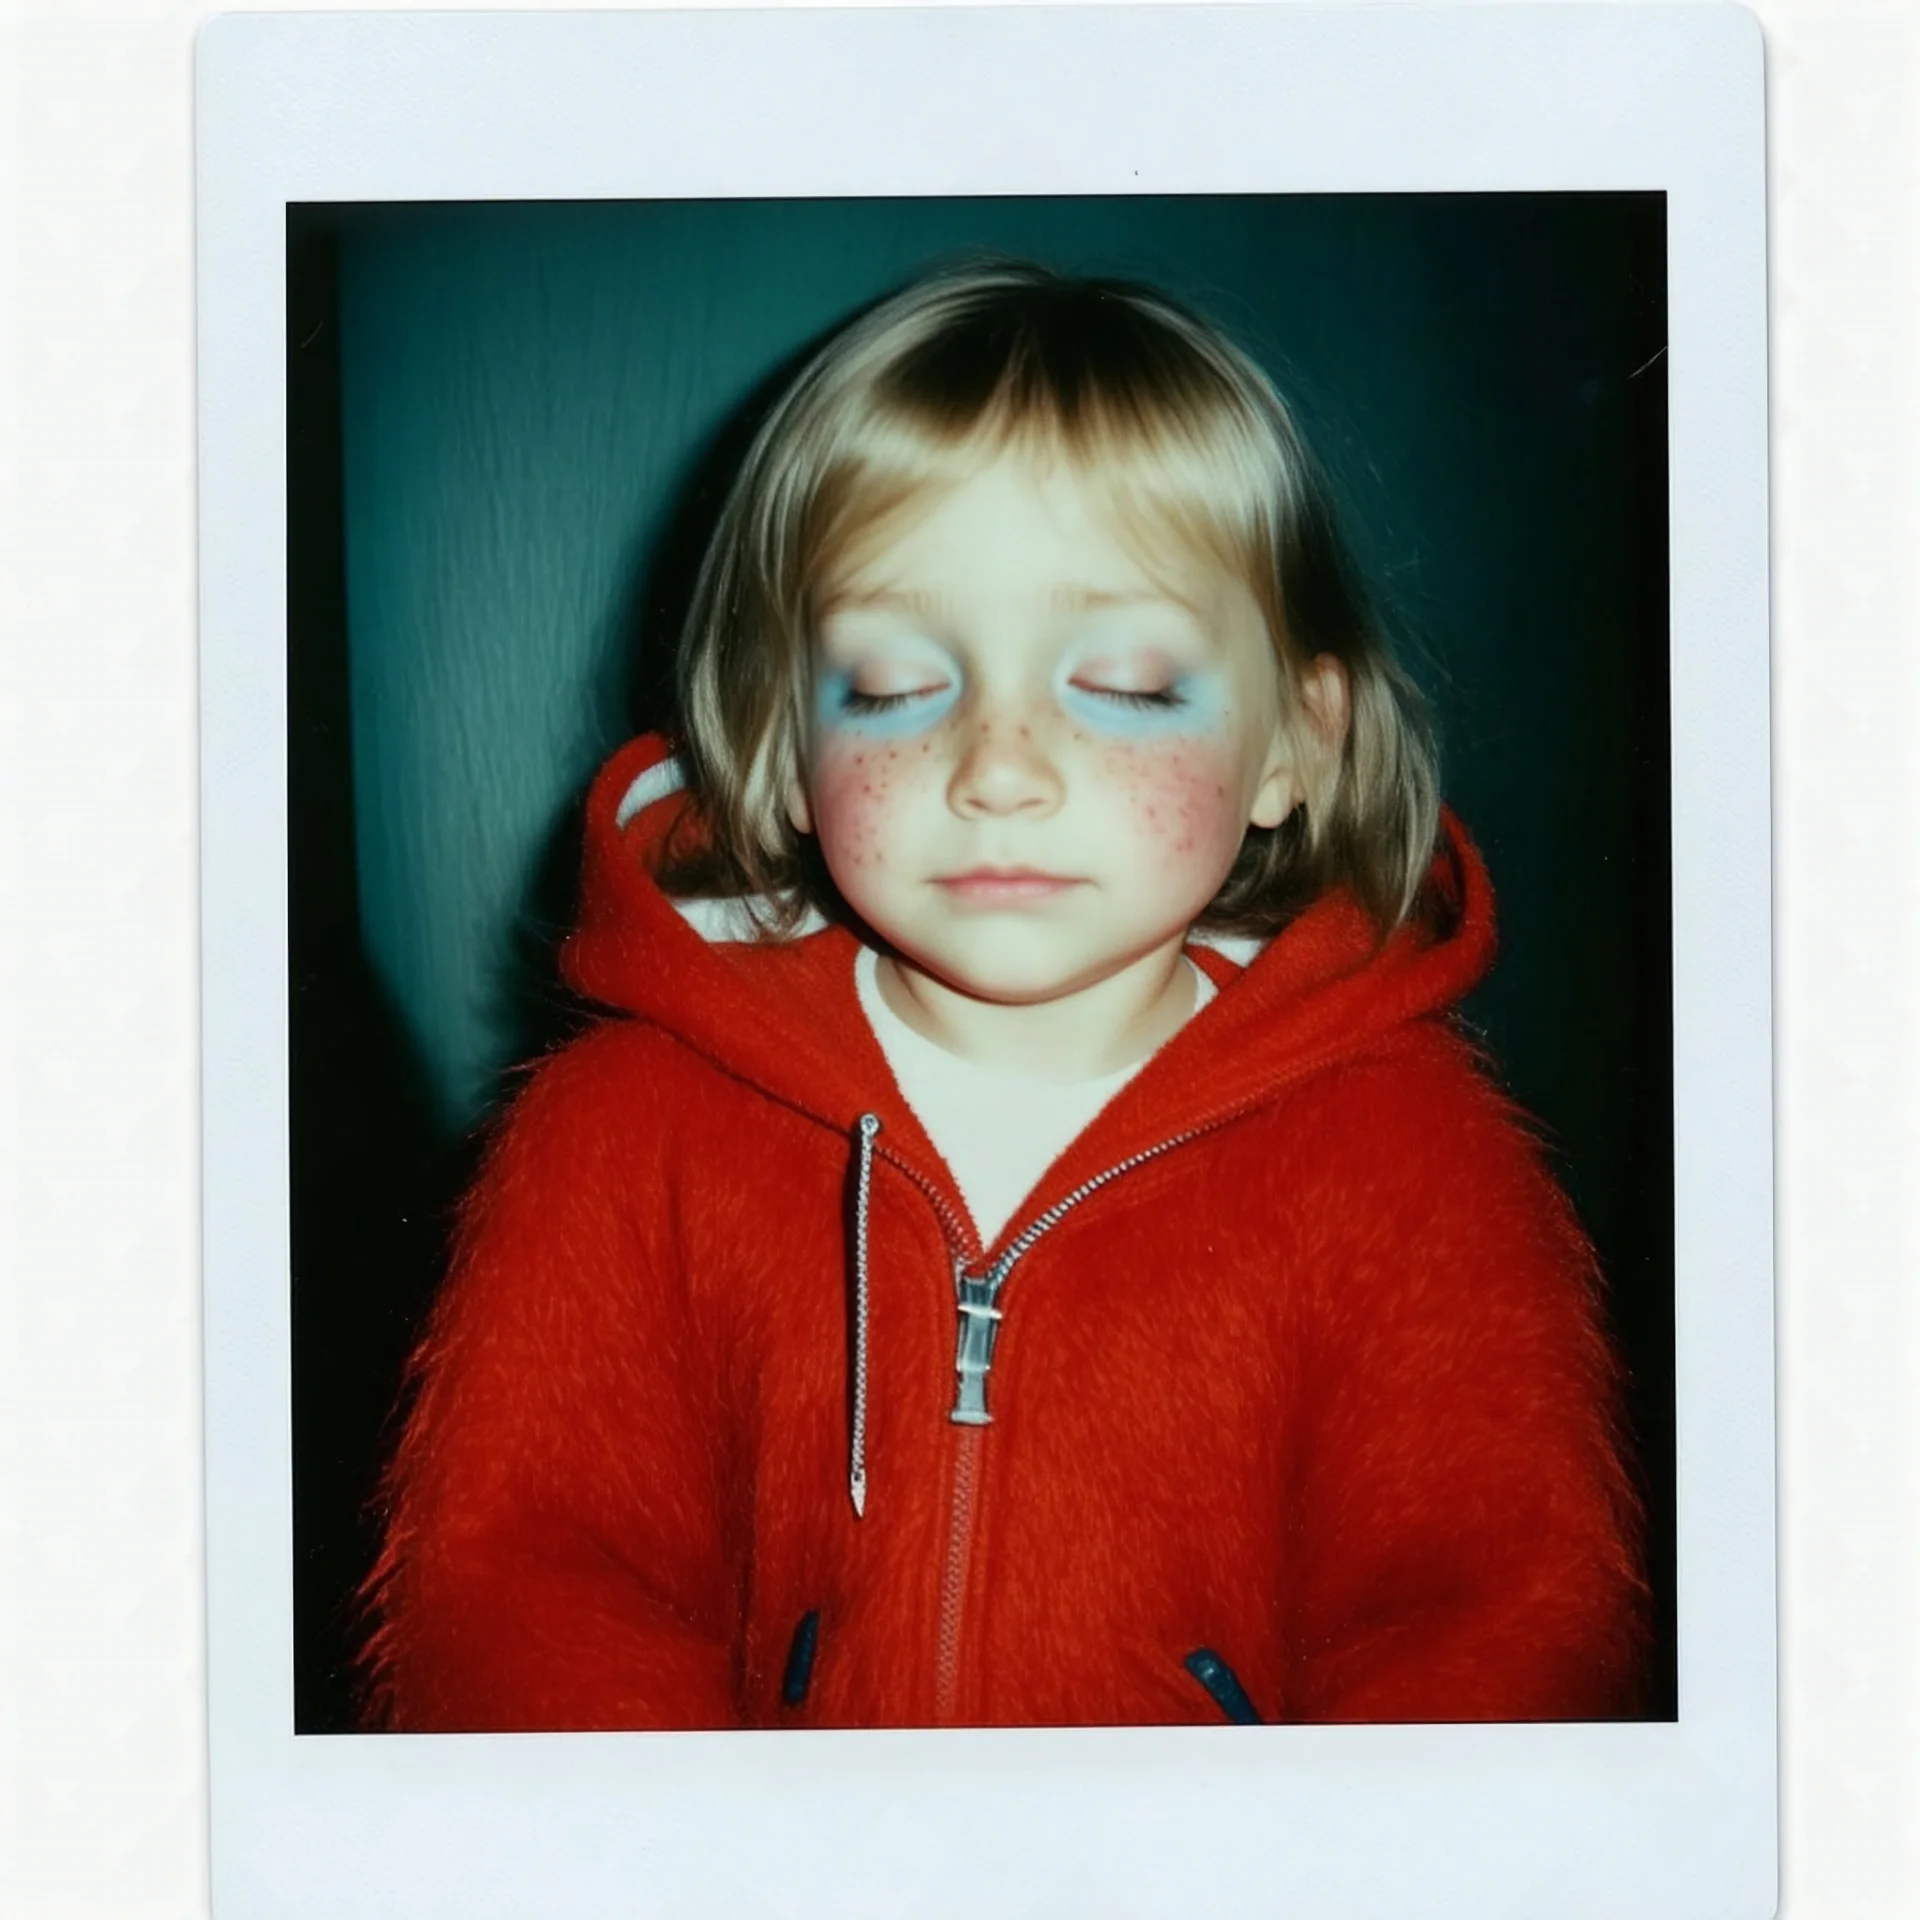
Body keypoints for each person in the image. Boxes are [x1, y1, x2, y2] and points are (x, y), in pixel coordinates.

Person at [357, 261, 1650, 1731]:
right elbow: (520, 1601)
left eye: (1132, 682)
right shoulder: (617, 1139)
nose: (1002, 766)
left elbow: (1498, 1637)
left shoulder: (1420, 1164)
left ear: (1299, 741)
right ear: (782, 745)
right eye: (898, 685)